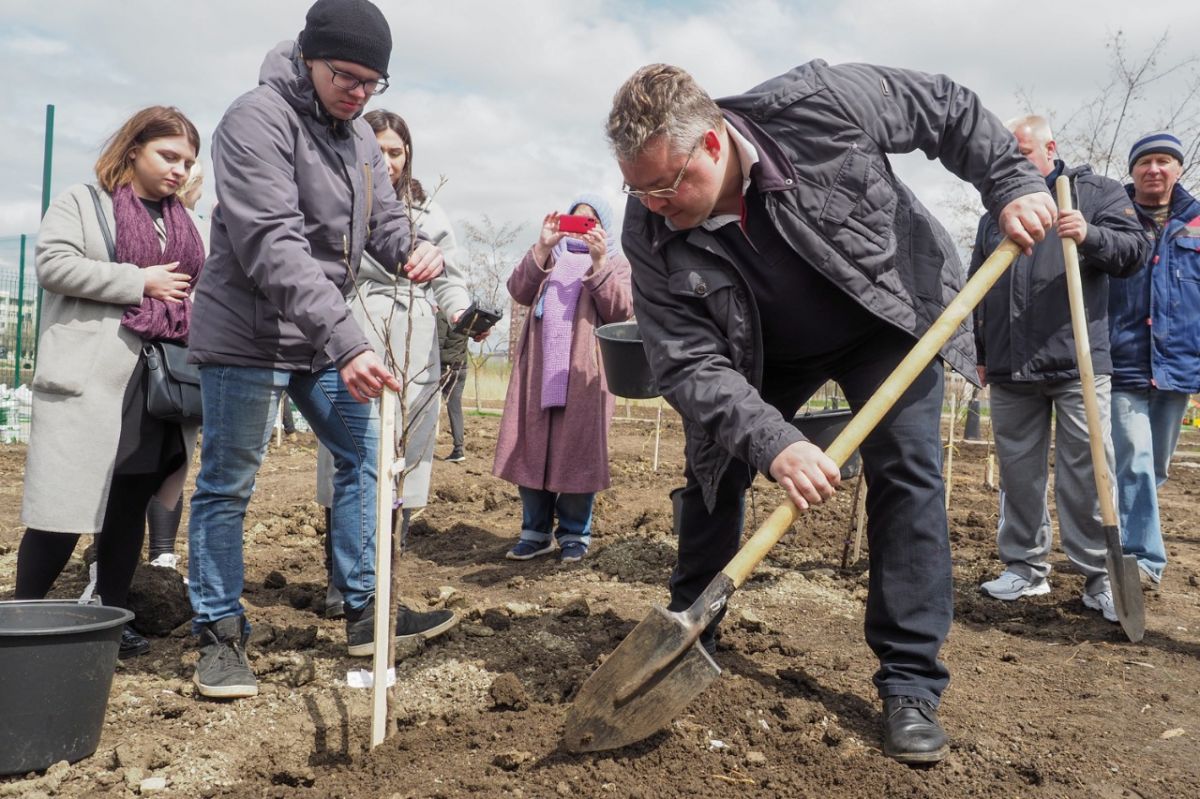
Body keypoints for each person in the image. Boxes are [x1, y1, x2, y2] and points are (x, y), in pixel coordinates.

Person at [607, 63, 1055, 765]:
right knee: (714, 471)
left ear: (714, 143)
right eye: (639, 189)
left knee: (907, 469)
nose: (656, 205)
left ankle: (910, 682)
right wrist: (774, 442)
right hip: (755, 349)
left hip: (884, 314)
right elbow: (688, 363)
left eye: (667, 185)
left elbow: (945, 108)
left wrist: (1011, 182)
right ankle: (690, 628)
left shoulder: (819, 105)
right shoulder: (650, 227)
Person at [186, 0, 447, 699]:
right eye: (345, 76)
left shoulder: (359, 138)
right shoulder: (256, 119)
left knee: (364, 454)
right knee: (229, 481)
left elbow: (384, 221)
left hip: (319, 335)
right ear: (309, 57)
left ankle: (365, 610)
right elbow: (273, 243)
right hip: (248, 334)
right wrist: (347, 340)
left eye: (372, 82)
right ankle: (218, 632)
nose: (358, 93)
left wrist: (414, 247)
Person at [15, 106, 204, 659]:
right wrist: (137, 280)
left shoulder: (188, 222)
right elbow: (53, 265)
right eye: (168, 156)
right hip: (91, 381)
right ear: (133, 149)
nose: (178, 170)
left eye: (187, 162)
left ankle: (109, 620)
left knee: (128, 504)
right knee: (63, 509)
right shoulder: (84, 202)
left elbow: (199, 287)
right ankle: (21, 617)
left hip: (157, 385)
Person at [973, 115, 1148, 620]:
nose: (1014, 162)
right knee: (1018, 476)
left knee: (1089, 474)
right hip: (1010, 365)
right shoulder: (997, 210)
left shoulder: (1094, 193)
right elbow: (980, 284)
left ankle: (1100, 577)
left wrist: (1090, 235)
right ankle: (1025, 569)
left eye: (1023, 152)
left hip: (1077, 362)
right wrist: (981, 351)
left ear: (1050, 148)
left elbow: (1134, 250)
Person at [314, 108, 473, 620]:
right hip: (354, 334)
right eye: (377, 150)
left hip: (415, 346)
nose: (387, 160)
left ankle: (384, 579)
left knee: (404, 461)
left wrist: (461, 311)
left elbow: (448, 276)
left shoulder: (427, 212)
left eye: (396, 151)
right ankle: (343, 585)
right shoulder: (337, 199)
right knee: (352, 456)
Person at [492, 195, 634, 564]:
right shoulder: (549, 259)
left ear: (604, 228)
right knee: (531, 447)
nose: (581, 228)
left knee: (577, 452)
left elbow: (621, 312)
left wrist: (599, 263)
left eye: (591, 222)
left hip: (584, 375)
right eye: (575, 220)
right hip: (538, 372)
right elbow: (518, 291)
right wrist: (542, 246)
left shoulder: (615, 263)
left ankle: (574, 534)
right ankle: (534, 533)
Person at [1108, 131, 1200, 586]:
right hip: (1122, 362)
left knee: (1154, 466)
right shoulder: (1114, 216)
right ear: (1132, 171)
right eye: (1145, 162)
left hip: (1177, 366)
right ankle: (1142, 560)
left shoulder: (1197, 222)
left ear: (1178, 169)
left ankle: (1129, 527)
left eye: (1164, 161)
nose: (1154, 169)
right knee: (1135, 460)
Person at [147, 160, 209, 575]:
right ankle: (162, 554)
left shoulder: (191, 227)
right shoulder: (199, 229)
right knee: (175, 456)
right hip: (182, 355)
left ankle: (109, 555)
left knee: (130, 460)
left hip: (165, 350)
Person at [438, 313, 470, 463]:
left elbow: (438, 344)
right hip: (461, 367)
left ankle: (417, 444)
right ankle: (458, 449)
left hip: (445, 368)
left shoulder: (443, 315)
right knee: (455, 407)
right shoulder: (465, 317)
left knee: (425, 405)